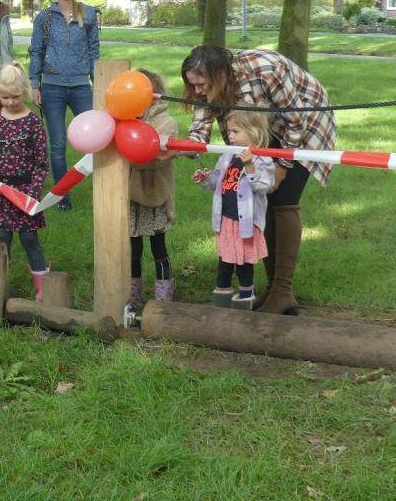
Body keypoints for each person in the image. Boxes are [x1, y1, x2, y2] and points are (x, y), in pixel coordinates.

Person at [181, 45, 337, 314]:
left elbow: (295, 122)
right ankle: (274, 290)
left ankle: (283, 291)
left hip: (306, 122)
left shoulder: (267, 69)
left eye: (201, 84)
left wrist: (282, 166)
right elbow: (200, 129)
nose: (197, 91)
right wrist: (181, 149)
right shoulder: (211, 90)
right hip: (260, 130)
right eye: (192, 85)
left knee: (285, 198)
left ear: (219, 76)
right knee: (262, 196)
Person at [27, 0, 101, 212]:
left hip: (81, 86)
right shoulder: (45, 17)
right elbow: (36, 51)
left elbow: (93, 51)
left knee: (98, 140)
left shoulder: (88, 14)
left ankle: (104, 188)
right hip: (53, 88)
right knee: (57, 144)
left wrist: (96, 80)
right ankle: (62, 197)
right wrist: (34, 84)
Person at [0, 63, 50, 299]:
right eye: (4, 97)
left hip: (24, 192)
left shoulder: (33, 122)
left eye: (15, 96)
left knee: (29, 238)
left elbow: (42, 162)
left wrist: (33, 191)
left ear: (25, 90)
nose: (10, 102)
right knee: (1, 238)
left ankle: (43, 288)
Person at [192, 110, 275, 311]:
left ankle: (245, 298)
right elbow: (217, 180)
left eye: (236, 131)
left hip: (245, 223)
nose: (230, 135)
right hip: (226, 221)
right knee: (225, 261)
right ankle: (222, 297)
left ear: (254, 133)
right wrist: (205, 178)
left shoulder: (263, 159)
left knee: (244, 263)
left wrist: (249, 166)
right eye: (229, 131)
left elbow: (264, 186)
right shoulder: (228, 155)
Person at [128, 69, 177, 309]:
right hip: (130, 197)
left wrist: (130, 152)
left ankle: (163, 298)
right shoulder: (123, 119)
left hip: (154, 196)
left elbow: (155, 156)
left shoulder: (165, 122)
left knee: (158, 246)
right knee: (132, 248)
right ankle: (133, 297)